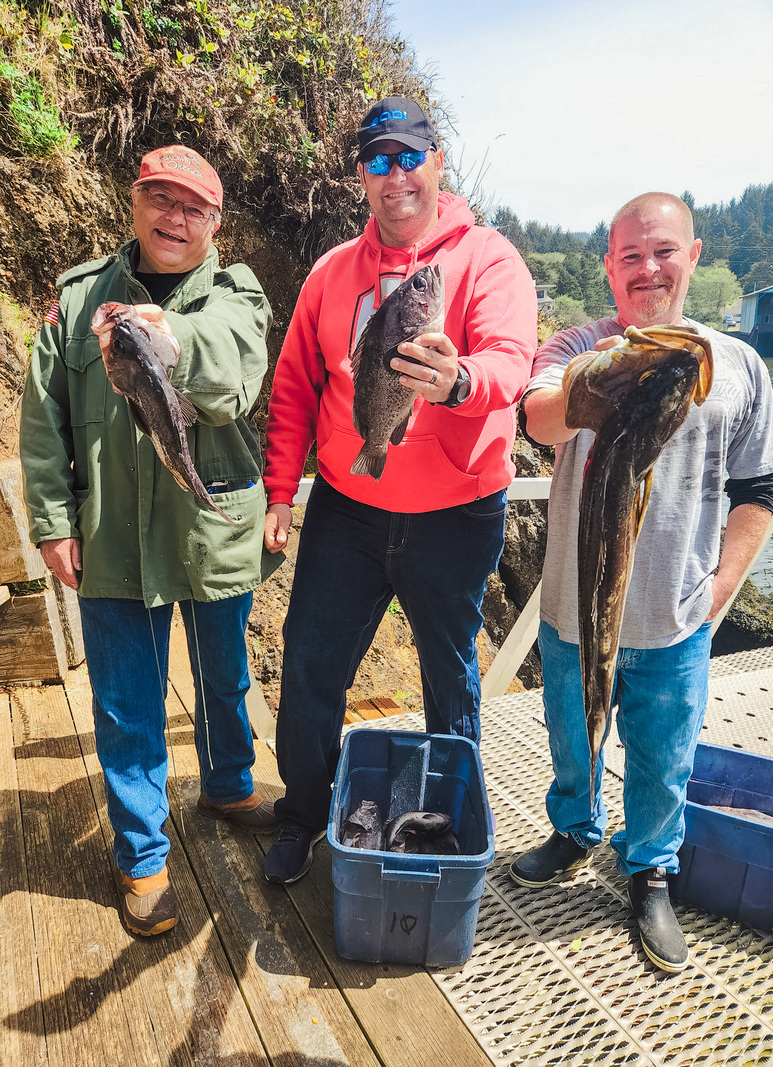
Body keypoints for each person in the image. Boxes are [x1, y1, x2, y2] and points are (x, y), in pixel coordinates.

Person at [510, 192, 773, 972]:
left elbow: (762, 486)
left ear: (693, 256)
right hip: (572, 607)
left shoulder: (735, 365)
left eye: (663, 251)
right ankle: (573, 827)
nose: (647, 269)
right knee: (572, 733)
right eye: (630, 255)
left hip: (675, 615)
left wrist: (723, 586)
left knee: (664, 757)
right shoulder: (577, 345)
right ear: (608, 267)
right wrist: (600, 378)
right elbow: (538, 418)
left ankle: (649, 868)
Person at [262, 97, 538, 884]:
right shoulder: (329, 275)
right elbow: (293, 388)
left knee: (449, 676)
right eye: (378, 162)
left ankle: (448, 828)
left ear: (437, 162)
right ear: (361, 176)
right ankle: (303, 814)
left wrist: (457, 381)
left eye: (409, 156)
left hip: (457, 515)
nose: (396, 176)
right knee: (312, 662)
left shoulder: (488, 258)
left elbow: (512, 363)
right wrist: (283, 489)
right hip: (347, 509)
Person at [20, 145, 279, 937]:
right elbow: (43, 419)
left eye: (193, 206)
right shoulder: (78, 298)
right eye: (160, 198)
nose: (175, 217)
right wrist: (54, 521)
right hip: (112, 539)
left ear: (215, 222)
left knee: (225, 678)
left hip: (210, 529)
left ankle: (229, 781)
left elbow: (234, 376)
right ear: (133, 203)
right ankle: (141, 854)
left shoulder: (236, 293)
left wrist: (166, 338)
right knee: (127, 704)